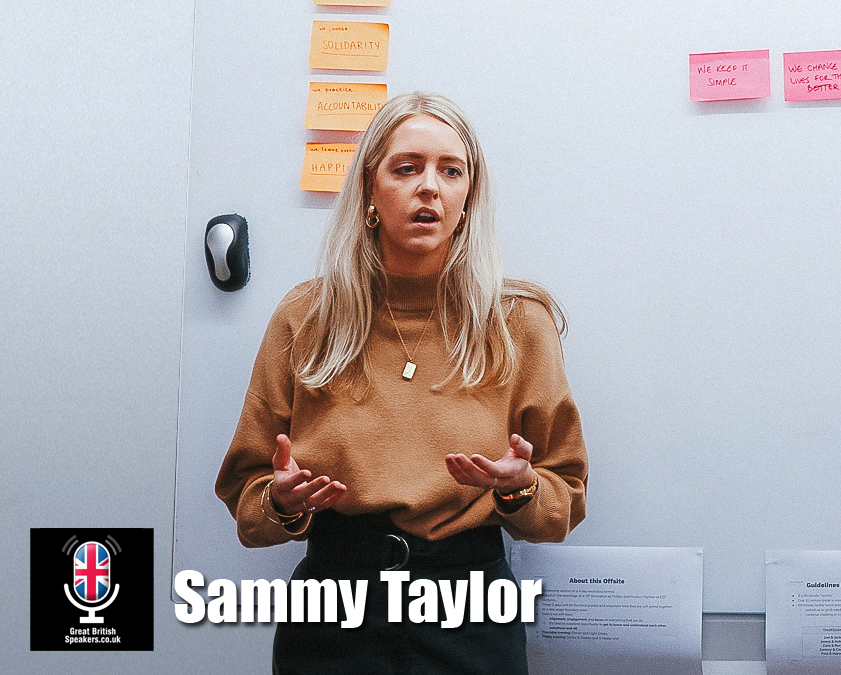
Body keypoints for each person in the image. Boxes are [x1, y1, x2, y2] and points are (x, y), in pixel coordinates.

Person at [214, 92, 588, 674]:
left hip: (470, 610)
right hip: (334, 610)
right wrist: (281, 502)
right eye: (407, 168)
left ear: (469, 197)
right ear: (370, 189)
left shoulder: (518, 322)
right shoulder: (307, 317)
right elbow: (247, 497)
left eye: (451, 171)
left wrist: (520, 489)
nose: (429, 188)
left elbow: (565, 499)